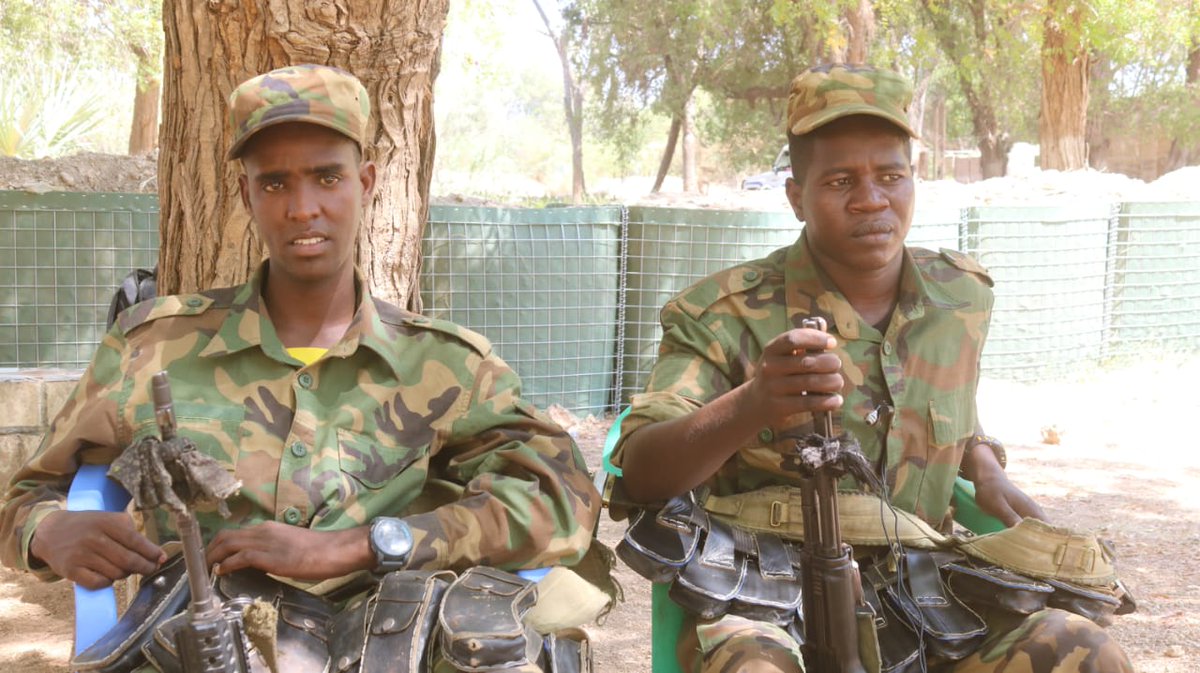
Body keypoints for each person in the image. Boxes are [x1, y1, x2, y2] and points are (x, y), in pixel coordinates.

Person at [0, 64, 603, 671]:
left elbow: (567, 502)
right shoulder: (154, 346)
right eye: (274, 184)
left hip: (386, 644)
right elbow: (25, 496)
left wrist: (360, 546)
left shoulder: (446, 366)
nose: (302, 208)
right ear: (246, 196)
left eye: (326, 177)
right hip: (209, 643)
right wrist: (47, 531)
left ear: (364, 182)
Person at [610, 63, 1132, 673]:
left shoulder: (958, 297)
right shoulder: (722, 315)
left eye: (891, 175)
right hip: (767, 600)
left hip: (930, 598)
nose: (870, 199)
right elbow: (641, 472)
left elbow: (941, 397)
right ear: (795, 196)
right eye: (838, 181)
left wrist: (983, 464)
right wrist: (753, 404)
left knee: (1084, 648)